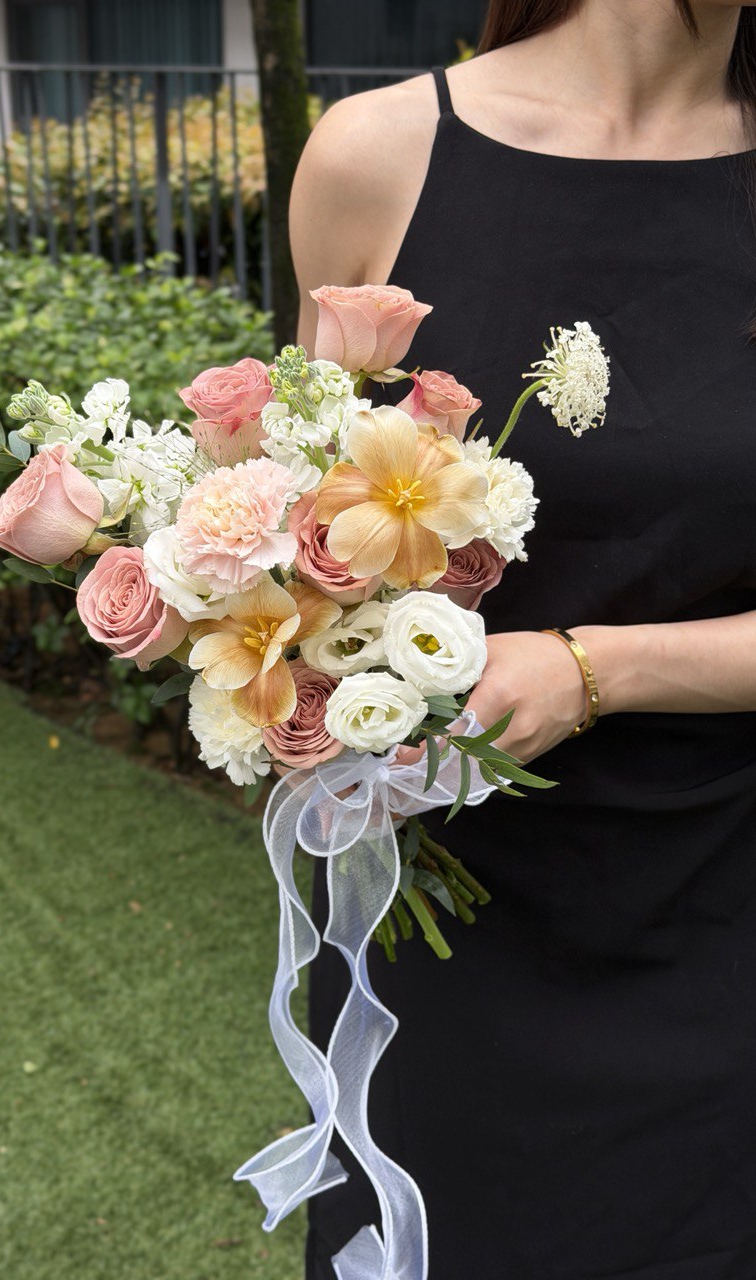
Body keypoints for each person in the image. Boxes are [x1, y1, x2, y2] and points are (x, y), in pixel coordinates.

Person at [289, 2, 756, 1276]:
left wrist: (594, 668)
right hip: (455, 938)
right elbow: (311, 529)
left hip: (729, 933)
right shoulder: (376, 156)